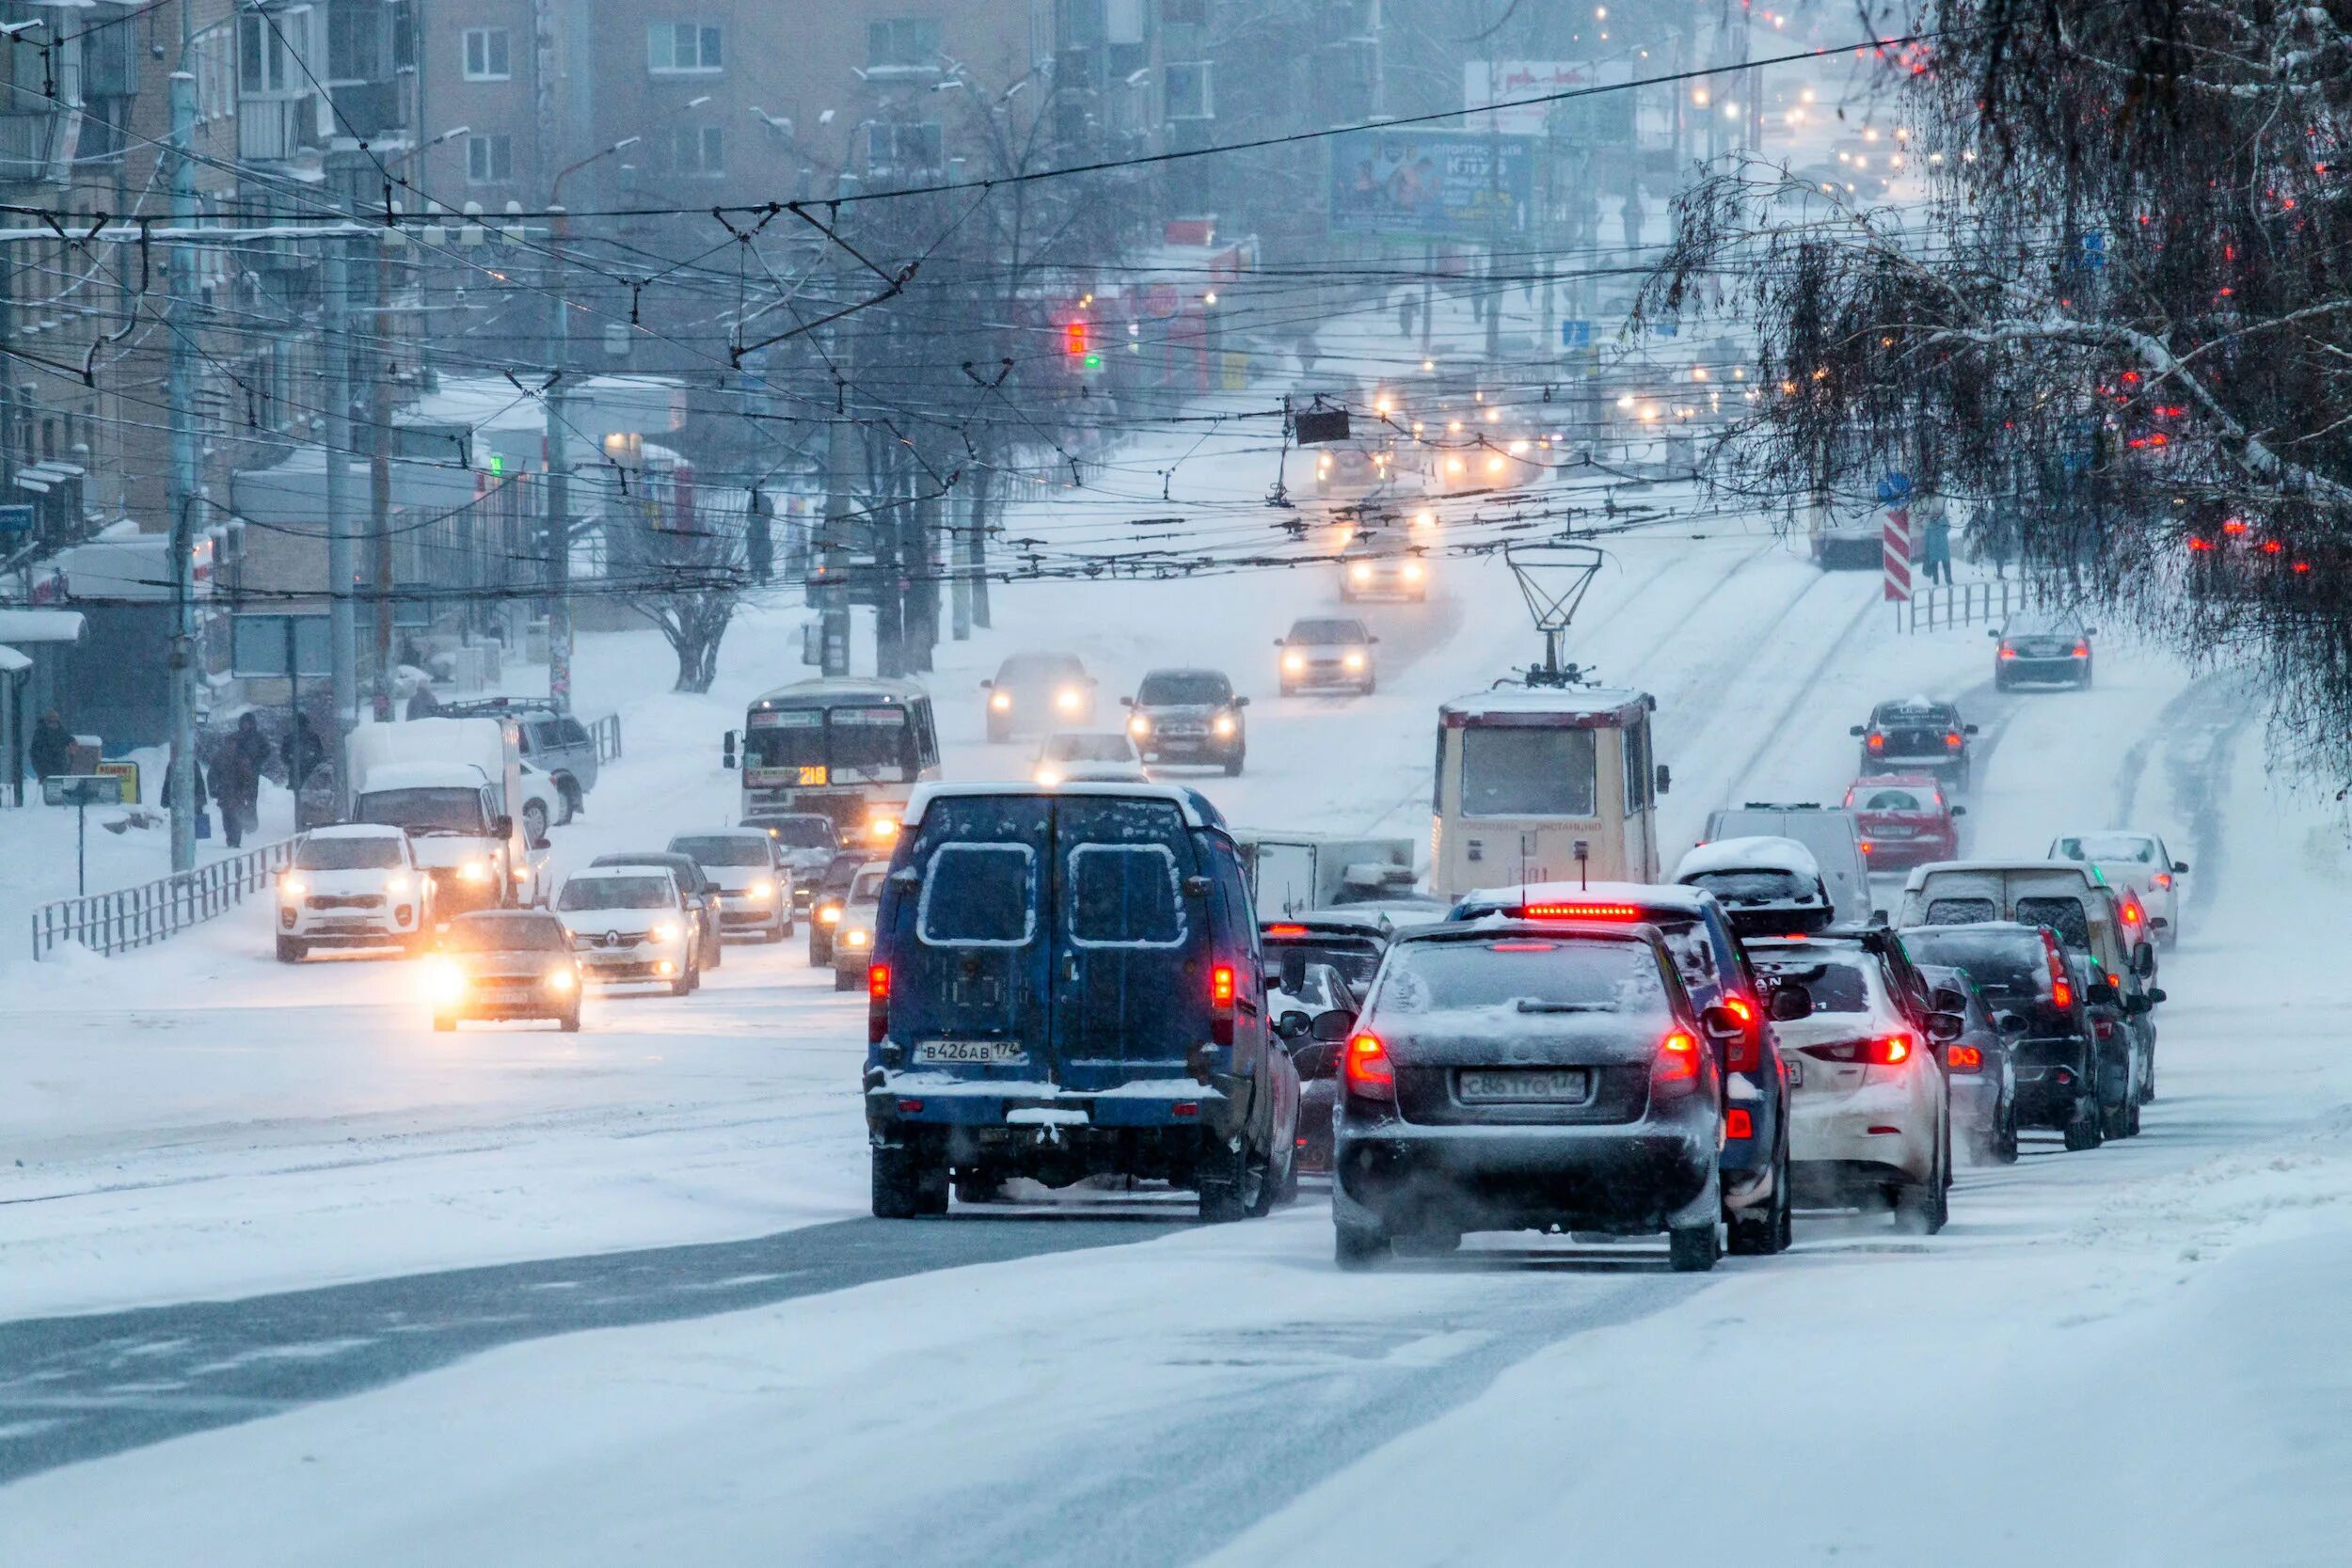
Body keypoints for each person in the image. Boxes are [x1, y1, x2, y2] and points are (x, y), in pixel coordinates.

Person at [29, 709, 71, 783]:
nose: (54, 723)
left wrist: (72, 743)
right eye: (51, 721)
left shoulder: (61, 731)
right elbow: (35, 753)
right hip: (45, 769)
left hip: (60, 769)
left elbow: (68, 740)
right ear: (46, 722)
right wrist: (40, 769)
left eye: (56, 721)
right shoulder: (40, 733)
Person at [746, 489, 774, 586]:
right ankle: (758, 574)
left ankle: (760, 575)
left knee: (763, 553)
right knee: (760, 553)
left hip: (760, 533)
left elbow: (770, 514)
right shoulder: (756, 500)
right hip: (756, 533)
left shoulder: (764, 500)